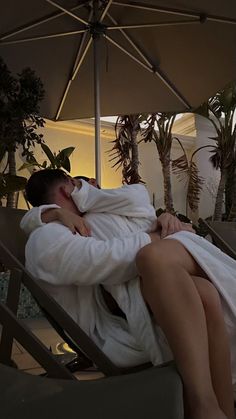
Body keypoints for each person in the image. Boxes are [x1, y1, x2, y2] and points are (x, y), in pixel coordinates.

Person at [21, 169, 236, 419]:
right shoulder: (46, 236)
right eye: (88, 185)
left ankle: (212, 409)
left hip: (152, 283)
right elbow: (105, 259)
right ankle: (208, 407)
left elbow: (137, 200)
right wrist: (158, 236)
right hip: (117, 323)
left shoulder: (85, 219)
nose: (95, 190)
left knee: (169, 268)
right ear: (67, 187)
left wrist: (166, 222)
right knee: (195, 286)